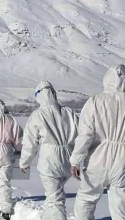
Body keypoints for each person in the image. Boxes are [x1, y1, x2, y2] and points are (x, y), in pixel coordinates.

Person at [69, 64, 125, 220]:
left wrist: (75, 160)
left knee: (86, 198)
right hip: (122, 162)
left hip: (97, 159)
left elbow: (85, 134)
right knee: (120, 204)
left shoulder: (96, 101)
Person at [19, 81, 79, 220]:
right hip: (69, 159)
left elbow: (30, 142)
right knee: (53, 195)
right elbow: (82, 136)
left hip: (50, 160)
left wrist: (24, 162)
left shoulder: (38, 115)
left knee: (55, 200)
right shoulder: (68, 112)